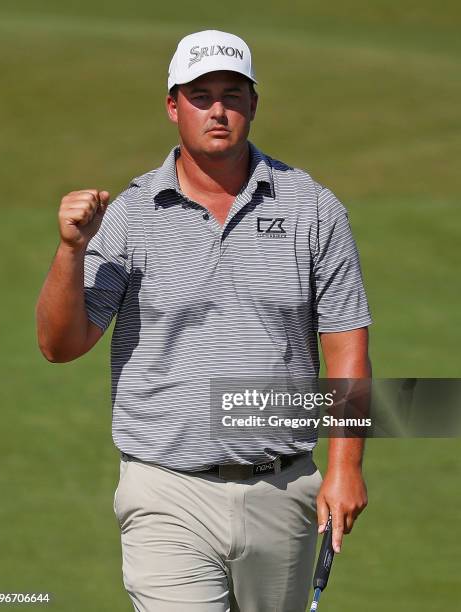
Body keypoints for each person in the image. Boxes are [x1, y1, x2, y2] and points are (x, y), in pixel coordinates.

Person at [36, 29, 372, 612]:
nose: (217, 109)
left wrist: (344, 468)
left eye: (233, 94)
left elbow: (346, 345)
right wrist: (70, 250)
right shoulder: (130, 215)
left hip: (283, 487)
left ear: (254, 104)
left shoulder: (313, 208)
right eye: (200, 95)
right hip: (166, 491)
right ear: (173, 106)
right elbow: (60, 345)